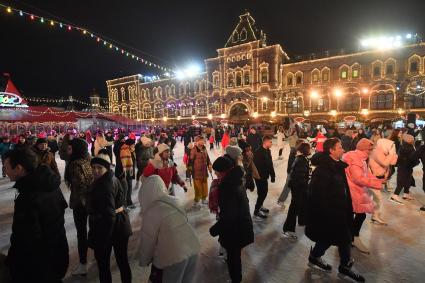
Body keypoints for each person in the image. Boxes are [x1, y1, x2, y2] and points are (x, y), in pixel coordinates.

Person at [4, 148, 69, 283]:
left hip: (39, 265)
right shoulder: (49, 183)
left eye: (7, 167)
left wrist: (13, 263)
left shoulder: (29, 195)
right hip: (58, 252)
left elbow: (26, 238)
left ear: (19, 168)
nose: (5, 171)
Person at [305, 138, 365, 282]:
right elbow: (317, 195)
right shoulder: (323, 170)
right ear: (331, 150)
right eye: (340, 147)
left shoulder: (337, 166)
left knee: (331, 238)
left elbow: (343, 189)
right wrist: (327, 214)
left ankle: (315, 256)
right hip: (331, 213)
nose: (343, 150)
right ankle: (344, 265)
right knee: (342, 238)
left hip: (341, 210)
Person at [139, 175, 200, 283]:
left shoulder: (152, 211)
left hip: (173, 257)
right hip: (193, 248)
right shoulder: (175, 201)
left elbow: (148, 240)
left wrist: (144, 260)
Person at [88, 150, 132, 283]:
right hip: (120, 225)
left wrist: (103, 239)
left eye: (99, 168)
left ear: (106, 168)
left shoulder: (104, 185)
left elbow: (108, 215)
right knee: (122, 261)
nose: (95, 170)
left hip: (111, 228)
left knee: (104, 265)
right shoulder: (110, 178)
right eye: (93, 167)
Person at [209, 156, 254, 283]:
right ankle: (236, 278)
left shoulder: (227, 186)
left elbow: (229, 215)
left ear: (223, 171)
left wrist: (215, 229)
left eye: (216, 171)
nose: (215, 174)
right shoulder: (236, 180)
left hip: (235, 230)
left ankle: (236, 280)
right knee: (234, 256)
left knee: (233, 258)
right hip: (241, 225)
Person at [343, 138, 386, 254]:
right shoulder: (356, 159)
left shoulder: (360, 157)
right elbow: (358, 178)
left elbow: (366, 174)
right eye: (370, 149)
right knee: (358, 215)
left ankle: (349, 238)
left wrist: (378, 180)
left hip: (355, 190)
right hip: (353, 191)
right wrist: (377, 182)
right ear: (365, 149)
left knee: (354, 215)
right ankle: (352, 238)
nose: (372, 151)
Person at [64, 138, 94, 276]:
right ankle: (97, 257)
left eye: (70, 148)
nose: (68, 151)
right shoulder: (89, 158)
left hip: (80, 203)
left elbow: (80, 185)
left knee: (81, 234)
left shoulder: (74, 164)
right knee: (94, 230)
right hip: (94, 200)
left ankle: (83, 264)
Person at [282, 142, 311, 239]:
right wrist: (306, 184)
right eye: (309, 149)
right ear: (306, 150)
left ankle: (302, 221)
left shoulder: (302, 159)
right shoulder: (301, 160)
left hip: (299, 187)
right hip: (298, 188)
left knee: (302, 204)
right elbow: (299, 177)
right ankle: (288, 229)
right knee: (294, 208)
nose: (310, 150)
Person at [368, 138, 398, 224]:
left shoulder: (384, 152)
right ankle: (375, 216)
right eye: (391, 146)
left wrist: (393, 153)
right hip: (373, 178)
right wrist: (391, 154)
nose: (391, 147)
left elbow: (392, 163)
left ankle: (375, 215)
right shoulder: (376, 151)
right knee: (377, 198)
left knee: (373, 197)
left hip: (378, 178)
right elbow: (385, 163)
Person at [390, 134, 420, 204]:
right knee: (402, 181)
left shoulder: (403, 146)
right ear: (410, 140)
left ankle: (406, 194)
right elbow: (413, 158)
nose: (413, 140)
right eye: (413, 139)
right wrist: (416, 162)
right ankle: (395, 195)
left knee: (407, 180)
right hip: (406, 167)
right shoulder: (410, 148)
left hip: (403, 166)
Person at [253, 136, 275, 219]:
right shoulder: (258, 152)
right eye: (270, 142)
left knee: (263, 193)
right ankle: (256, 210)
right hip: (259, 177)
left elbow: (270, 164)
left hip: (265, 176)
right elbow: (257, 166)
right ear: (265, 142)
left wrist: (272, 175)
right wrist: (260, 177)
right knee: (262, 193)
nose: (271, 143)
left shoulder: (268, 151)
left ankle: (260, 206)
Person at [277, 139, 304, 207]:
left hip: (293, 172)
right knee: (288, 186)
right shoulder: (294, 151)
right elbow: (292, 163)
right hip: (292, 172)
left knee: (290, 186)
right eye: (302, 144)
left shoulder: (297, 151)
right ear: (299, 145)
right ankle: (281, 200)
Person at [190, 136, 212, 207]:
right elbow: (190, 161)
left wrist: (209, 165)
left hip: (204, 171)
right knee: (198, 187)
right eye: (201, 140)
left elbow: (208, 158)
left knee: (204, 186)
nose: (202, 141)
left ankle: (204, 198)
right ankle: (197, 200)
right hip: (196, 172)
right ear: (197, 141)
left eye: (203, 140)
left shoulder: (204, 148)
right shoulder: (194, 150)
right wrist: (189, 169)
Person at [120, 139, 136, 208]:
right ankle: (124, 204)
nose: (134, 145)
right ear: (129, 144)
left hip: (130, 172)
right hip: (125, 173)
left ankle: (129, 201)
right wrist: (124, 173)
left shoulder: (131, 150)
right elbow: (123, 163)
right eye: (133, 144)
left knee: (129, 187)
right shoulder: (124, 150)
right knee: (125, 189)